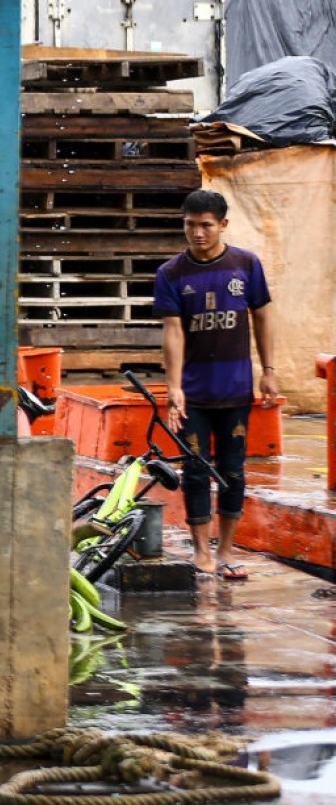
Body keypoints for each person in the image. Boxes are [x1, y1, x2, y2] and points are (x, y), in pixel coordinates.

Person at [155, 188, 277, 581]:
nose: (198, 233)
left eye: (206, 225)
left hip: (236, 390)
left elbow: (262, 316)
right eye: (190, 225)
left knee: (234, 470)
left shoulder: (246, 265)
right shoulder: (171, 274)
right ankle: (201, 551)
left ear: (223, 224)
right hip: (193, 394)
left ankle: (226, 551)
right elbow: (173, 331)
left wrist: (268, 370)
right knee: (194, 470)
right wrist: (174, 387)